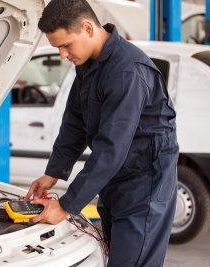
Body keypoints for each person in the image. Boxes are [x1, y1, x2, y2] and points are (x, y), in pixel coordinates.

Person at [25, 0, 179, 266]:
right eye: (57, 47)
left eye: (65, 45)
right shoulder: (88, 63)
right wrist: (53, 173)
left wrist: (66, 205)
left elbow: (111, 147)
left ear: (87, 28)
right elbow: (75, 122)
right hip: (117, 181)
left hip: (145, 186)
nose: (62, 55)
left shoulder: (126, 71)